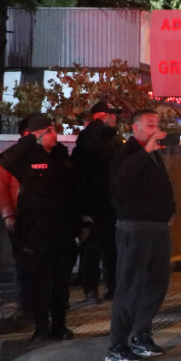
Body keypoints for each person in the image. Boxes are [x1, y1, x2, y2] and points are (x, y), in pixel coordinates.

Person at [0, 115, 80, 342]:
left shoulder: (61, 156)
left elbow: (75, 190)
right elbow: (5, 161)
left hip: (63, 229)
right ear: (38, 134)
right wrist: (29, 140)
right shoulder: (25, 157)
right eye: (50, 131)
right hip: (37, 230)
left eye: (54, 131)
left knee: (61, 283)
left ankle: (60, 326)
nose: (55, 135)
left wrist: (81, 222)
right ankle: (41, 328)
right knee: (40, 283)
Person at [104, 109, 176, 361]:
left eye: (157, 123)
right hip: (135, 227)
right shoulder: (126, 152)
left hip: (157, 228)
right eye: (149, 124)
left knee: (157, 284)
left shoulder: (153, 153)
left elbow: (162, 185)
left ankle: (141, 334)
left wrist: (170, 209)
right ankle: (117, 345)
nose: (155, 128)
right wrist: (146, 151)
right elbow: (121, 180)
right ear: (135, 128)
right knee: (131, 286)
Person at [72, 100, 123, 303]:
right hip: (92, 204)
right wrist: (97, 123)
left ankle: (113, 286)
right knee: (92, 248)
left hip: (111, 203)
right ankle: (90, 289)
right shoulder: (89, 139)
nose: (115, 118)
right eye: (111, 115)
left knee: (112, 248)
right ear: (102, 116)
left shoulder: (114, 141)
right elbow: (89, 150)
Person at [0, 114, 32, 321]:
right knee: (22, 261)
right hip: (18, 217)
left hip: (40, 217)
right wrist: (8, 212)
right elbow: (0, 187)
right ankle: (23, 301)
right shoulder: (10, 157)